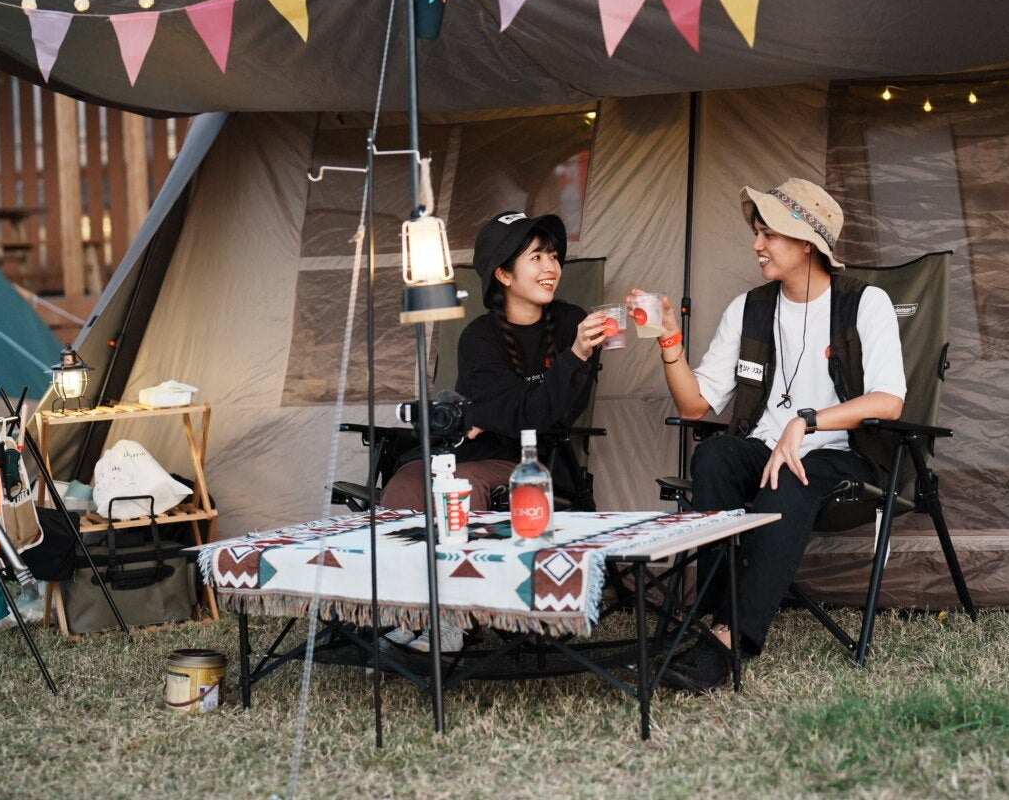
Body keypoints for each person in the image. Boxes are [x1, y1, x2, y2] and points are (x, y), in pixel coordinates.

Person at [631, 177, 905, 691]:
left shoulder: (865, 303)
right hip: (764, 448)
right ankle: (716, 612)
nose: (757, 245)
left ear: (808, 243)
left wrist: (806, 421)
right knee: (714, 456)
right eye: (756, 232)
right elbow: (695, 404)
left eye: (769, 234)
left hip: (843, 455)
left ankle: (729, 638)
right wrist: (668, 339)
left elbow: (889, 401)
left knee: (790, 475)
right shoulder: (750, 308)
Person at [379, 210, 608, 651]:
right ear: (504, 274)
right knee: (408, 480)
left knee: (461, 486)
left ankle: (456, 619)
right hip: (468, 451)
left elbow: (550, 415)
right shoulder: (479, 337)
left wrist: (574, 356)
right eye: (536, 257)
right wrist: (504, 409)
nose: (551, 267)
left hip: (531, 459)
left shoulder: (575, 326)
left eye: (553, 256)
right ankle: (407, 610)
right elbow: (512, 408)